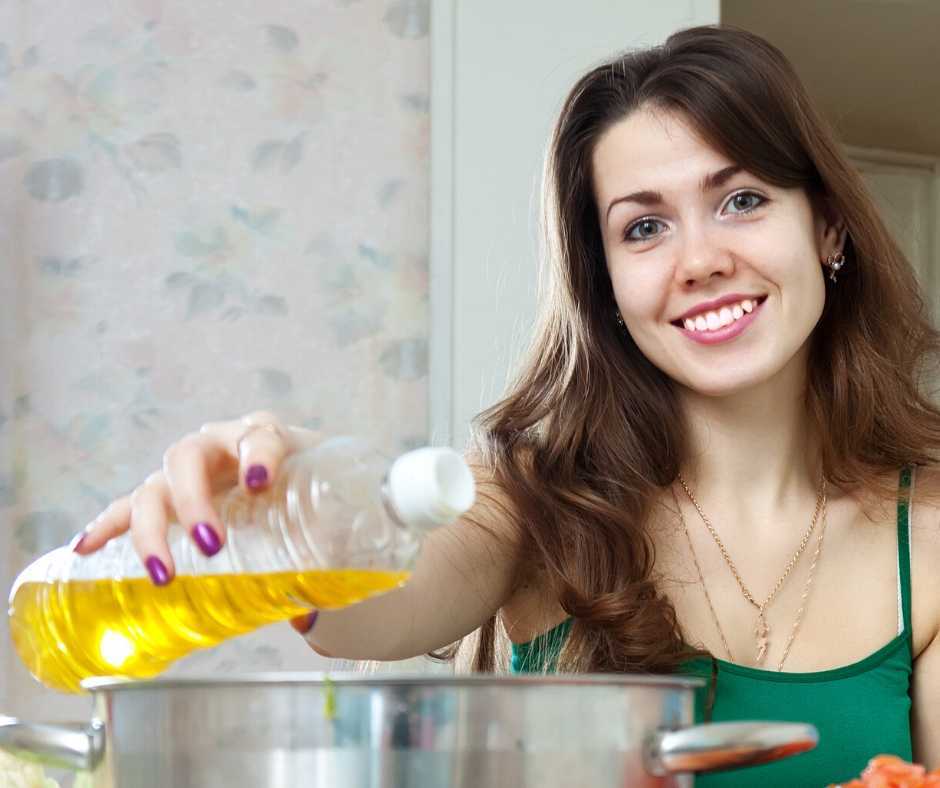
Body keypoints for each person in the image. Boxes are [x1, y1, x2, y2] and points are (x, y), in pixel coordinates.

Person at [72, 25, 940, 785]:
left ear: (828, 228)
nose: (700, 258)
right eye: (644, 227)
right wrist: (288, 517)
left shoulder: (928, 532)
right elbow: (380, 600)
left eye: (742, 200)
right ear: (606, 285)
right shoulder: (529, 504)